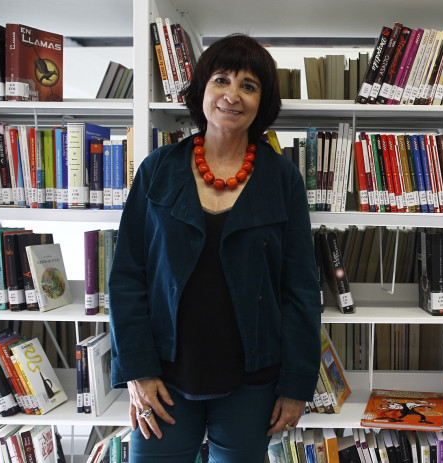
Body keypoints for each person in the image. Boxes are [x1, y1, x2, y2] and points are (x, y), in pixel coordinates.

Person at [108, 34, 321, 462]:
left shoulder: (283, 180)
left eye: (249, 85)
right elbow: (128, 276)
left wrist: (296, 386)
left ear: (263, 101)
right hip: (164, 374)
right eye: (221, 79)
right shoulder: (157, 171)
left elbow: (300, 289)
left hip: (252, 379)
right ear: (202, 88)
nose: (232, 95)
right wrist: (137, 369)